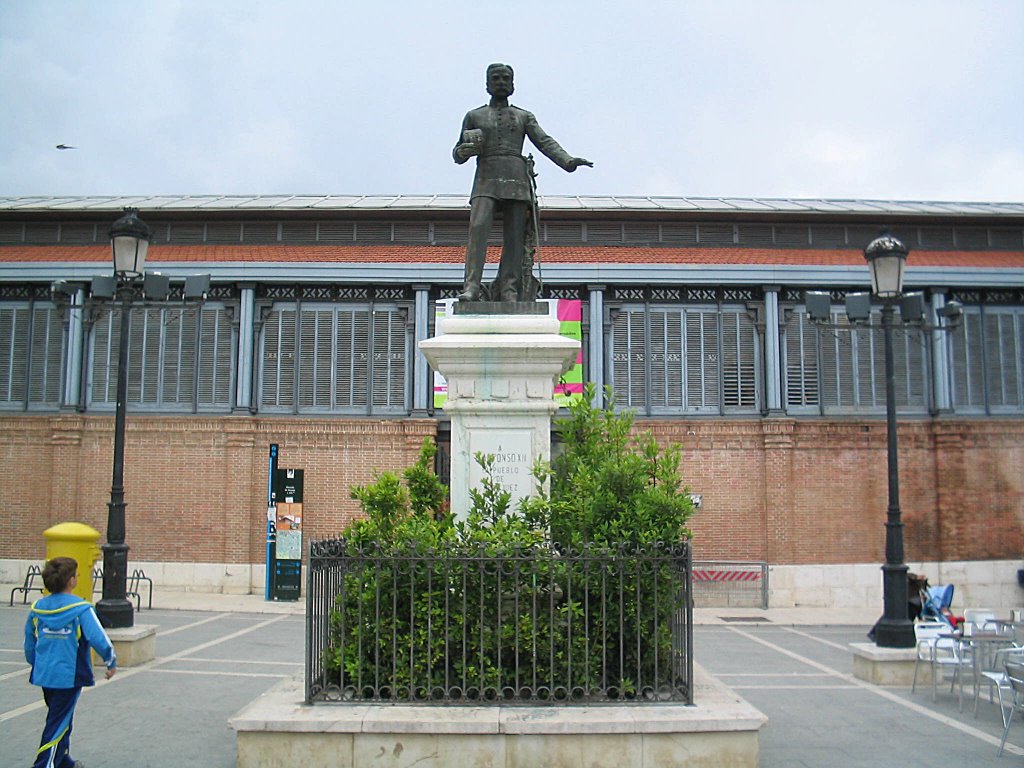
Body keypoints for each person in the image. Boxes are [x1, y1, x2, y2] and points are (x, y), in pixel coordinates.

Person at [454, 63, 592, 302]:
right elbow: (457, 154)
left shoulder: (523, 116)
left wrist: (567, 161)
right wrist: (465, 151)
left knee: (515, 238)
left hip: (516, 180)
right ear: (487, 83)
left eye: (506, 78)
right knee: (477, 231)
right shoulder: (474, 115)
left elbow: (544, 141)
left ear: (513, 84)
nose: (501, 82)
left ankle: (510, 288)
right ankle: (472, 287)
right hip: (485, 178)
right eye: (495, 78)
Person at [24, 556, 117, 768]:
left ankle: (63, 760)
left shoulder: (37, 608)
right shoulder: (81, 609)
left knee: (61, 717)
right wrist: (111, 660)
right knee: (57, 723)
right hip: (70, 675)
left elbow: (29, 642)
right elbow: (98, 638)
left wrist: (35, 663)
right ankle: (44, 764)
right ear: (71, 581)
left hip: (45, 674)